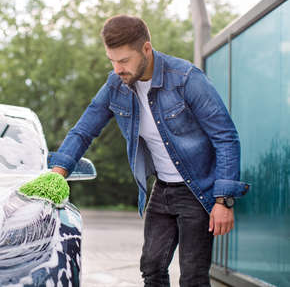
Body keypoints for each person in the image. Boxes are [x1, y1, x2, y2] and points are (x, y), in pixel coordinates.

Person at [48, 15, 250, 286]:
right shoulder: (115, 85)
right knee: (152, 267)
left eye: (124, 61)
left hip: (197, 189)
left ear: (146, 49)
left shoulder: (187, 79)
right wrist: (56, 175)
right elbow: (84, 130)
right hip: (162, 188)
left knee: (192, 276)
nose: (118, 69)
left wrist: (223, 200)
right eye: (112, 61)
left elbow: (225, 137)